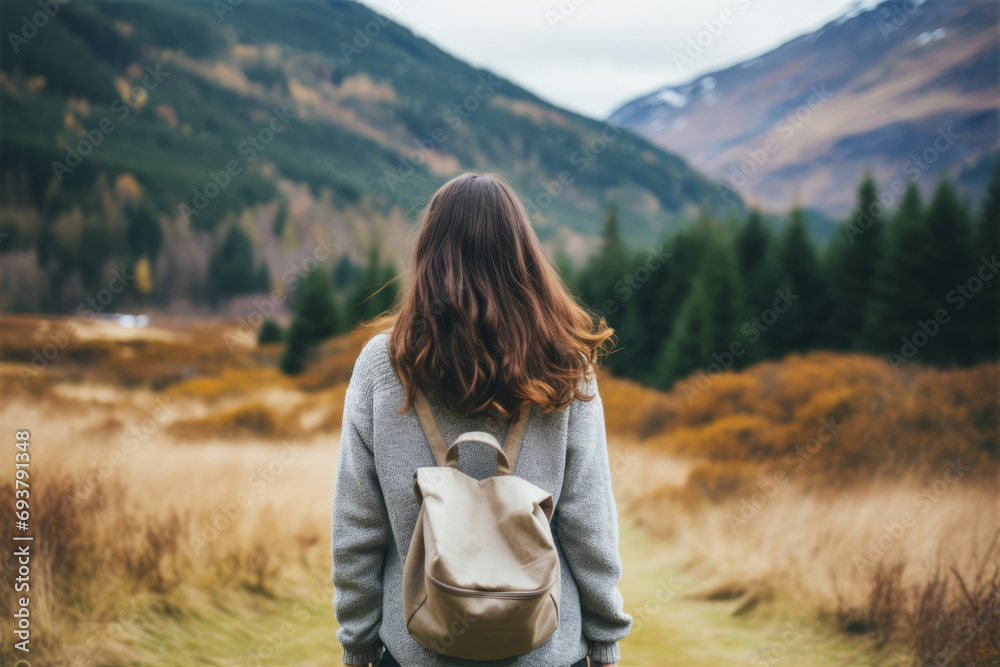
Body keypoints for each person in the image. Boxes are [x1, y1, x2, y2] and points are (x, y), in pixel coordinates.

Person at [331, 172, 632, 667]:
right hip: (547, 650)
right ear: (524, 258)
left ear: (428, 257)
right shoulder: (565, 363)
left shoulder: (382, 365)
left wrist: (357, 641)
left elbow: (358, 526)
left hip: (418, 651)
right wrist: (605, 635)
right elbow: (588, 522)